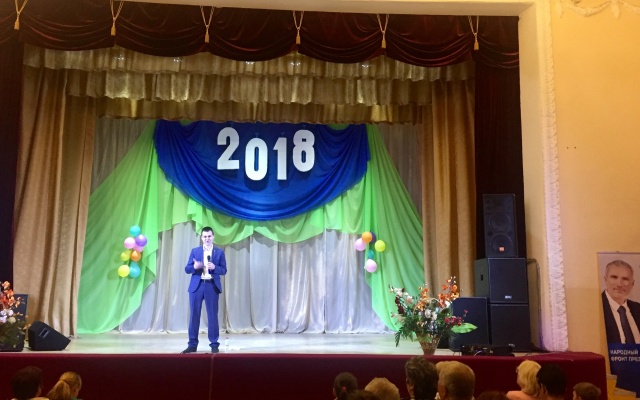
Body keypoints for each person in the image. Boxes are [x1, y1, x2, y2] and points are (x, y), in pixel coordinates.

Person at [181, 226, 227, 354]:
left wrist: (215, 267)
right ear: (201, 238)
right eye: (205, 236)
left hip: (211, 286)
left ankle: (214, 344)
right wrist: (195, 267)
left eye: (209, 236)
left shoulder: (219, 252)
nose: (207, 239)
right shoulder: (195, 251)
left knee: (212, 316)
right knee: (194, 316)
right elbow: (187, 269)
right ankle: (192, 345)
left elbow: (224, 270)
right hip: (197, 286)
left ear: (213, 237)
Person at [601, 260, 640, 343]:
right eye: (614, 277)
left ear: (632, 283)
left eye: (625, 279)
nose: (619, 284)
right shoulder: (595, 307)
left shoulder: (638, 308)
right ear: (605, 279)